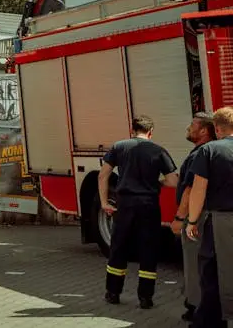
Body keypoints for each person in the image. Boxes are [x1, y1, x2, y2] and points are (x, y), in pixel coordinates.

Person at [99, 115, 179, 308]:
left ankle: (113, 293)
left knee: (119, 248)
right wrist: (155, 183)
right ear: (150, 132)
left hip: (125, 204)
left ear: (132, 130)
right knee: (148, 249)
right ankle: (145, 297)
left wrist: (104, 202)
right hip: (149, 205)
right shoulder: (158, 151)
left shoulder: (119, 147)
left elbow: (103, 176)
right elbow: (173, 181)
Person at [186, 106, 233, 327]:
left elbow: (198, 189)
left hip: (221, 221)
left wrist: (192, 221)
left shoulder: (210, 150)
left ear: (216, 128)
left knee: (211, 268)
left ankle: (211, 321)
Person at [174, 112, 217, 322]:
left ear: (203, 131)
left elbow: (191, 189)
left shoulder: (200, 154)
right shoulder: (209, 152)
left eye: (193, 125)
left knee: (193, 263)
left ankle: (195, 306)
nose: (189, 128)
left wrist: (180, 217)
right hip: (208, 217)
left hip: (195, 217)